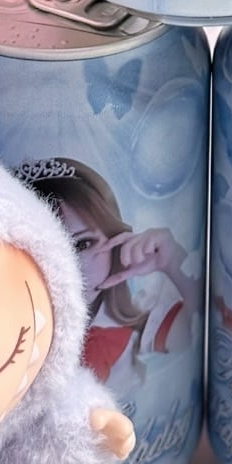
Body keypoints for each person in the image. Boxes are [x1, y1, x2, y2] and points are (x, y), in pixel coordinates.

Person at [19, 158, 196, 386]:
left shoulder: (137, 322)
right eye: (41, 249)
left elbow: (209, 329)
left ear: (115, 241)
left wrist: (172, 260)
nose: (69, 268)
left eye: (83, 244)